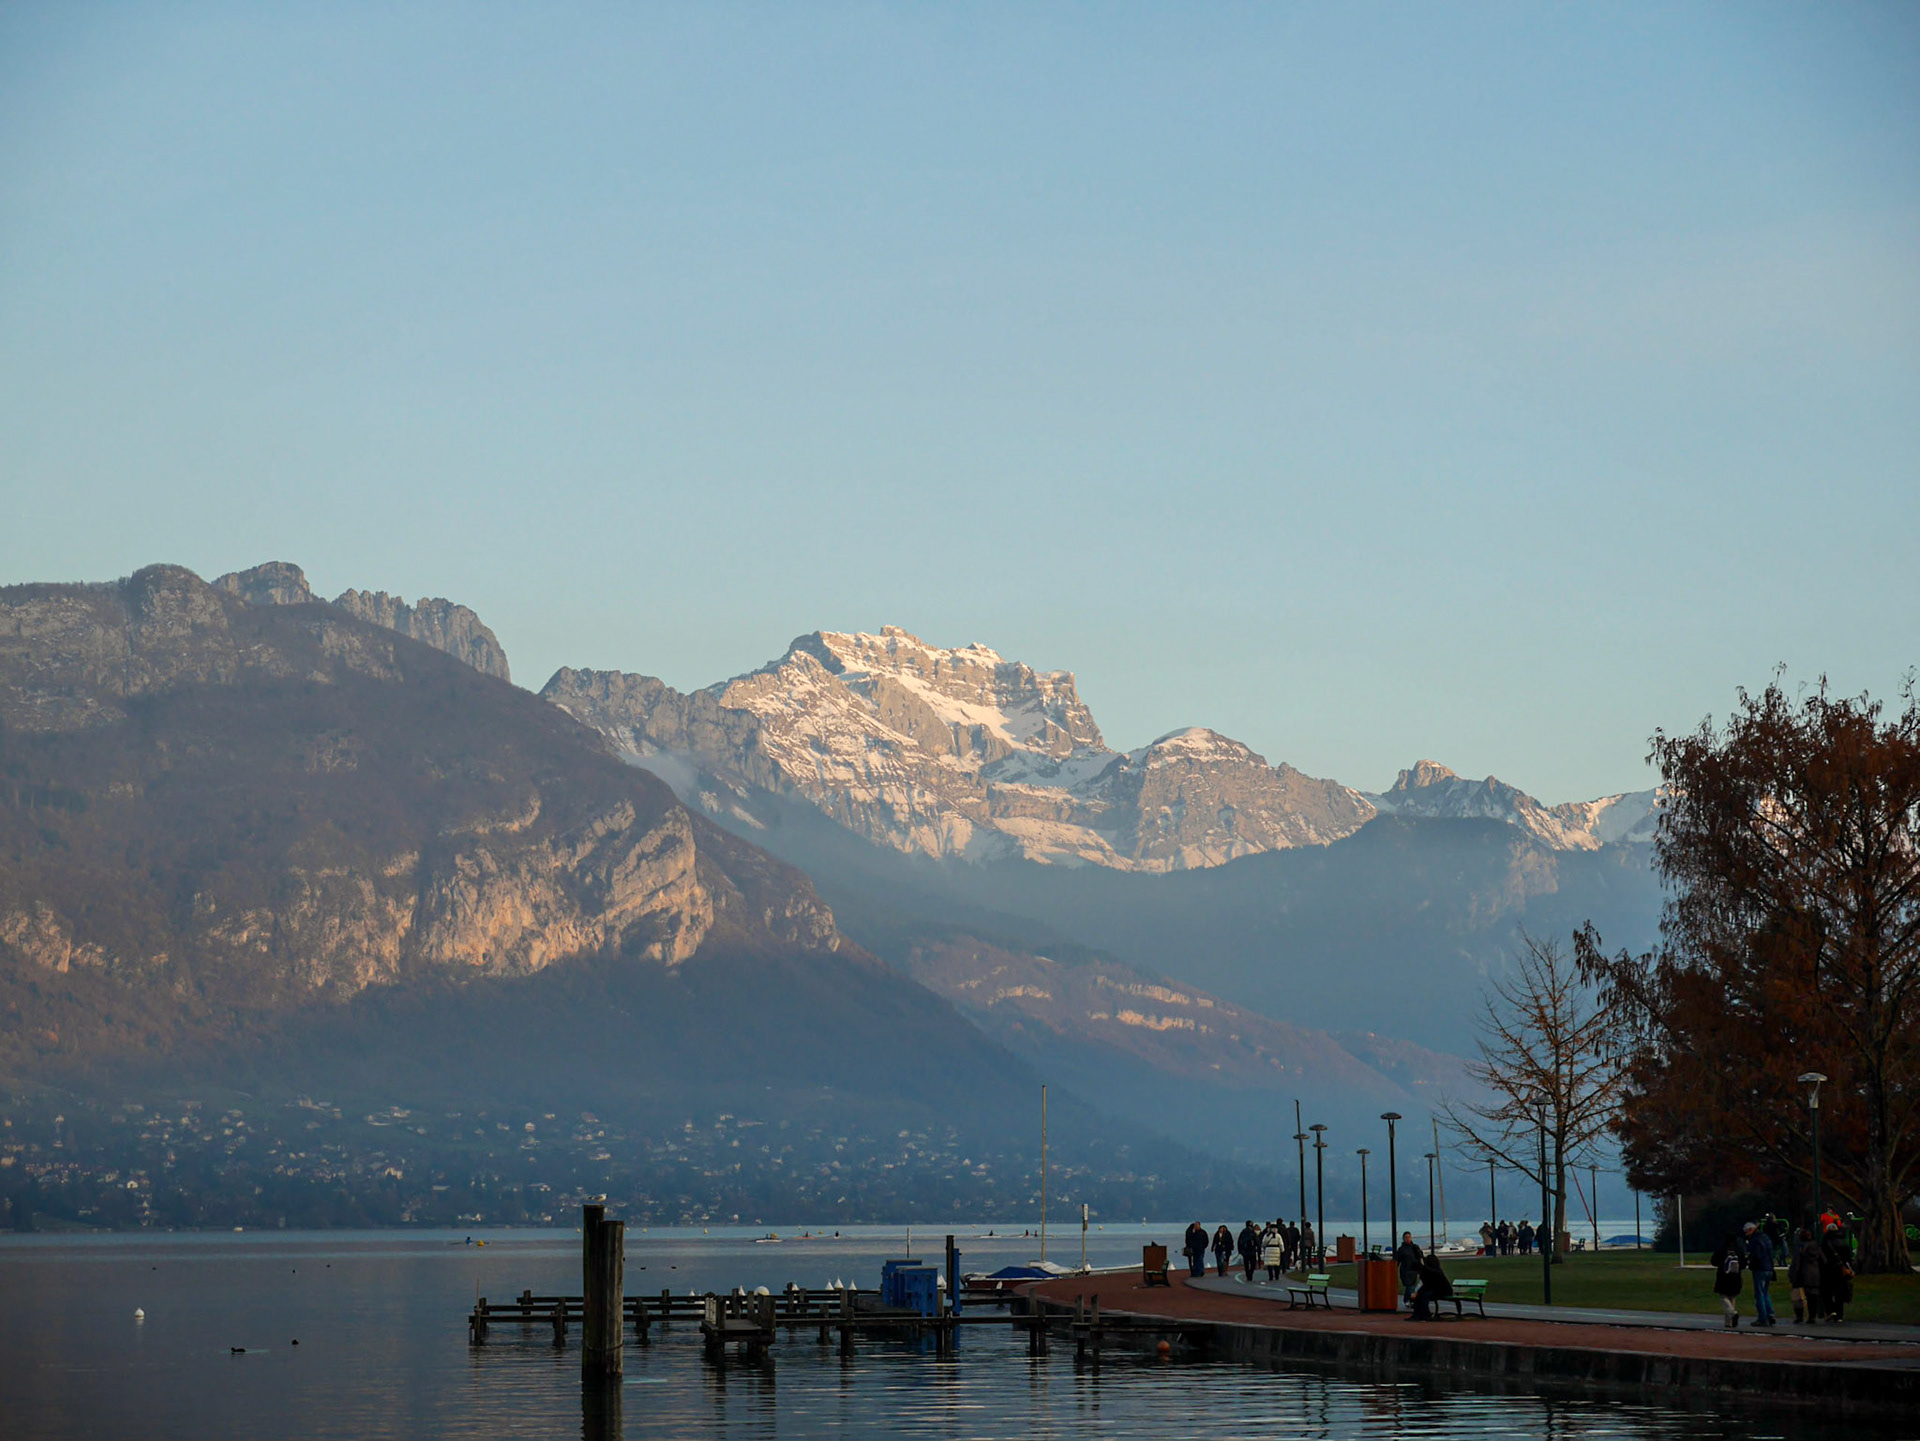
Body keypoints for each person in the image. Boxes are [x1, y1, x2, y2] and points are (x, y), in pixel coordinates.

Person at [1744, 1221, 1776, 1327]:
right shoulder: (1765, 1237)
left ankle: (1762, 1318)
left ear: (1750, 1230)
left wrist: (1749, 1262)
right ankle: (1770, 1314)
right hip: (1769, 1267)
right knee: (1765, 1292)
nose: (1746, 1234)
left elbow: (1756, 1255)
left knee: (1759, 1294)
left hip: (1760, 1268)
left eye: (1746, 1231)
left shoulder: (1755, 1240)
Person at [1710, 1229, 1745, 1328]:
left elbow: (1714, 1261)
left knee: (1723, 1297)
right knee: (1732, 1297)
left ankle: (1732, 1314)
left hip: (1723, 1277)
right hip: (1736, 1277)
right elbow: (1743, 1264)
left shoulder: (1722, 1249)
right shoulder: (1739, 1250)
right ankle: (1729, 1322)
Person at [1408, 1251, 1454, 1321]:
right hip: (1436, 1290)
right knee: (1421, 1294)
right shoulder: (1432, 1270)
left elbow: (1429, 1285)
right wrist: (1418, 1293)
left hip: (1443, 1291)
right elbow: (1427, 1285)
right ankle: (1418, 1314)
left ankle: (1424, 1314)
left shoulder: (1433, 1271)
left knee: (1424, 1295)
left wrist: (1418, 1292)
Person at [1820, 1225, 1853, 1322]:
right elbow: (1848, 1258)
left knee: (1827, 1292)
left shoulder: (1826, 1241)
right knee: (1840, 1293)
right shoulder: (1843, 1241)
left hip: (1828, 1270)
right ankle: (1840, 1315)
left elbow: (1823, 1257)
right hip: (1841, 1270)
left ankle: (1830, 1310)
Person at [1791, 1227, 1823, 1325]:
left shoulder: (1800, 1247)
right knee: (1813, 1296)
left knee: (1797, 1295)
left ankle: (1799, 1316)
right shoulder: (1816, 1247)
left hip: (1802, 1273)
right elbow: (1823, 1260)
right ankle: (1812, 1316)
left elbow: (1796, 1262)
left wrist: (1793, 1275)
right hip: (1815, 1273)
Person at [1394, 1230, 1423, 1305]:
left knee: (1412, 1286)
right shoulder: (1401, 1249)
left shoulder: (1415, 1247)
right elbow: (1397, 1260)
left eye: (1409, 1237)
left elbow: (1419, 1258)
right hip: (1405, 1270)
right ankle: (1408, 1300)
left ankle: (1408, 1299)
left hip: (1414, 1270)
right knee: (1408, 1285)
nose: (1408, 1239)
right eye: (1406, 1237)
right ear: (1403, 1239)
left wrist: (1420, 1269)